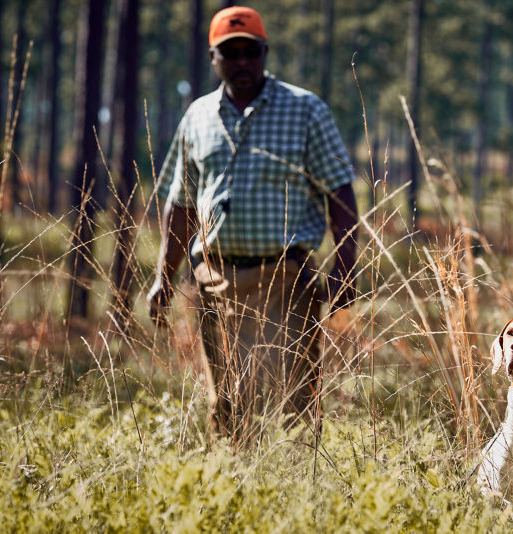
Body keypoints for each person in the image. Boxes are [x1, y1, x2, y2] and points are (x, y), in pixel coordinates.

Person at [148, 6, 359, 438]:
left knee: (294, 397)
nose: (242, 62)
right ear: (213, 58)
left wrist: (345, 266)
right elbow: (182, 205)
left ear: (265, 52)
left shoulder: (304, 111)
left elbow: (340, 192)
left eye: (251, 52)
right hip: (215, 278)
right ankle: (234, 480)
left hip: (285, 277)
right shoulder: (198, 117)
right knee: (226, 398)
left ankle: (298, 486)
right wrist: (163, 280)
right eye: (231, 53)